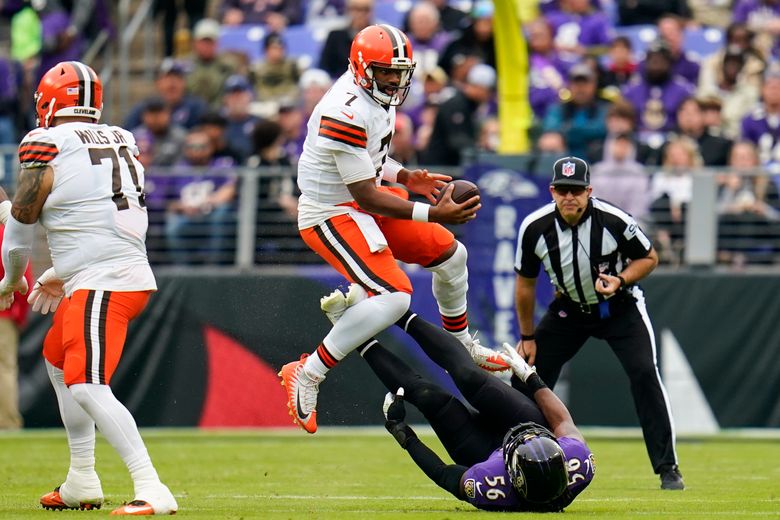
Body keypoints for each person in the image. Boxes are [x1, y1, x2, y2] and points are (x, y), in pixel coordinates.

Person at [278, 24, 503, 435]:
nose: (395, 80)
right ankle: (308, 372)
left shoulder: (374, 97)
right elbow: (366, 195)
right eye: (387, 72)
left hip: (362, 200)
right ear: (364, 68)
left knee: (453, 256)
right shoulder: (343, 109)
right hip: (331, 213)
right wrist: (433, 214)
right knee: (396, 296)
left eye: (401, 71)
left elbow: (372, 160)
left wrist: (405, 177)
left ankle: (462, 345)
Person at [0, 61, 177, 515]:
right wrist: (63, 270)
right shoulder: (121, 138)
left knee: (86, 383)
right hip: (114, 269)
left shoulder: (47, 142)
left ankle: (152, 487)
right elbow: (99, 212)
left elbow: (21, 227)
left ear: (49, 103)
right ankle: (82, 478)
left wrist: (13, 277)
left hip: (107, 281)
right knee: (58, 360)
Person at [319, 285, 594, 512]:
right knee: (468, 376)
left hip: (482, 451)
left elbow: (442, 473)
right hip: (523, 420)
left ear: (513, 476)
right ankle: (395, 310)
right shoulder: (578, 463)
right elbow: (562, 421)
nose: (526, 437)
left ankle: (349, 329)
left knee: (428, 396)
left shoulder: (490, 485)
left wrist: (403, 434)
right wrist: (532, 379)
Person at [513, 156, 684, 490]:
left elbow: (649, 257)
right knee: (525, 378)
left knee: (644, 373)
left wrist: (620, 280)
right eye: (562, 190)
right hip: (567, 310)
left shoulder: (614, 220)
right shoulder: (534, 227)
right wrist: (527, 335)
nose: (569, 197)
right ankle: (515, 454)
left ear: (589, 191)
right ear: (552, 191)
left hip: (618, 307)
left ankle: (668, 467)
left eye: (576, 190)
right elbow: (525, 284)